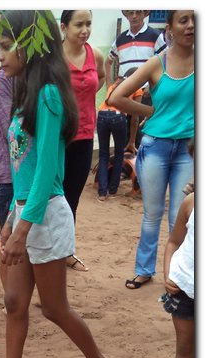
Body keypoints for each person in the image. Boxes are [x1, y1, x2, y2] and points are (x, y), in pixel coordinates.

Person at [0, 10, 118, 358]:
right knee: (14, 301)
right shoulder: (24, 92)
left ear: (31, 46)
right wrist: (10, 222)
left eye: (4, 47)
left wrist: (22, 228)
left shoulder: (50, 94)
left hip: (46, 216)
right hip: (26, 211)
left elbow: (48, 168)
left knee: (53, 308)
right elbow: (23, 168)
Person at [110, 9, 194, 289]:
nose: (191, 25)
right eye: (183, 20)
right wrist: (151, 110)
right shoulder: (158, 63)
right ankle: (144, 270)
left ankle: (179, 276)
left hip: (189, 150)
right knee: (152, 214)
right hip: (155, 147)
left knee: (180, 216)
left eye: (195, 19)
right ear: (169, 28)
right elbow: (116, 97)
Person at [60, 10, 105, 272]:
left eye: (88, 24)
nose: (85, 29)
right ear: (64, 27)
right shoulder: (53, 57)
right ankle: (51, 251)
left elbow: (97, 80)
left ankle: (66, 251)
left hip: (86, 135)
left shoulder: (95, 54)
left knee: (72, 198)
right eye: (79, 24)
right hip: (58, 137)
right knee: (55, 196)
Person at [158, 155, 193, 358]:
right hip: (184, 286)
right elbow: (173, 241)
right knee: (184, 346)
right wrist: (168, 271)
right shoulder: (190, 203)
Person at [105, 10, 167, 148]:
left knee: (143, 137)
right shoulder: (120, 39)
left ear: (144, 14)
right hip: (123, 95)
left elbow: (166, 62)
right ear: (126, 15)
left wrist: (154, 87)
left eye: (138, 12)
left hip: (145, 95)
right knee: (122, 137)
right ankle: (124, 167)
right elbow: (108, 61)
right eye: (130, 12)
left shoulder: (155, 36)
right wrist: (109, 86)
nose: (134, 16)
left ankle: (140, 166)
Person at [95, 68, 141, 201]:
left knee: (103, 154)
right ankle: (113, 189)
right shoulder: (136, 88)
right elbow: (135, 118)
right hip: (118, 117)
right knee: (119, 153)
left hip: (102, 115)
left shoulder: (116, 83)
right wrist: (132, 141)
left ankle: (102, 193)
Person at [0, 38, 15, 230]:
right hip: (9, 178)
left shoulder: (45, 81)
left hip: (34, 178)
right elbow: (11, 133)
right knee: (11, 247)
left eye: (6, 47)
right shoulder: (2, 80)